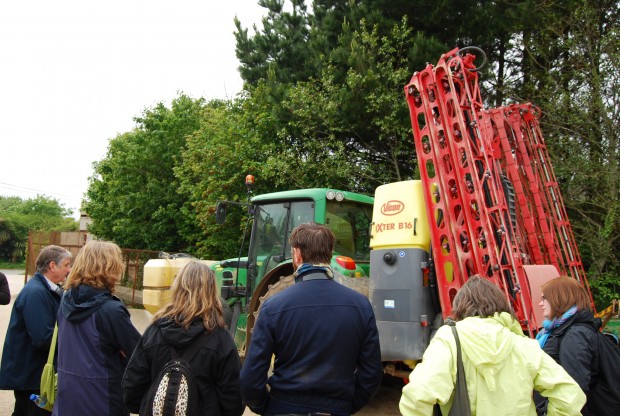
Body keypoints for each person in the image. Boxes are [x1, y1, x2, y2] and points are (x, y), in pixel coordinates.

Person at [240, 222, 383, 416]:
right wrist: (345, 407)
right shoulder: (361, 306)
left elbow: (251, 379)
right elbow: (371, 375)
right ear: (330, 252)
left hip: (283, 406)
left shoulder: (273, 307)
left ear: (297, 254)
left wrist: (266, 407)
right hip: (336, 408)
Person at [399, 275, 586, 416]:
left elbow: (418, 396)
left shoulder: (449, 339)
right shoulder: (524, 345)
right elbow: (569, 395)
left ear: (460, 306)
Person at [123, 261, 244, 416]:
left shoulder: (154, 332)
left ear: (177, 288)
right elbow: (233, 399)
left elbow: (131, 387)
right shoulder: (222, 339)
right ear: (212, 291)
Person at [52, 240, 140, 416]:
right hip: (103, 398)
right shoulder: (111, 310)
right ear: (111, 266)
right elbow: (139, 353)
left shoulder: (65, 299)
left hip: (68, 397)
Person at [0, 245, 72, 416]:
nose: (69, 270)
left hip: (32, 372)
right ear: (52, 265)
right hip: (31, 374)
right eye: (66, 265)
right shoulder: (36, 292)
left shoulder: (45, 289)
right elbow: (43, 338)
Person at [535, 276, 608, 415]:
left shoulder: (575, 334)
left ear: (559, 298)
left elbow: (573, 391)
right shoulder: (567, 330)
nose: (540, 304)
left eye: (544, 298)